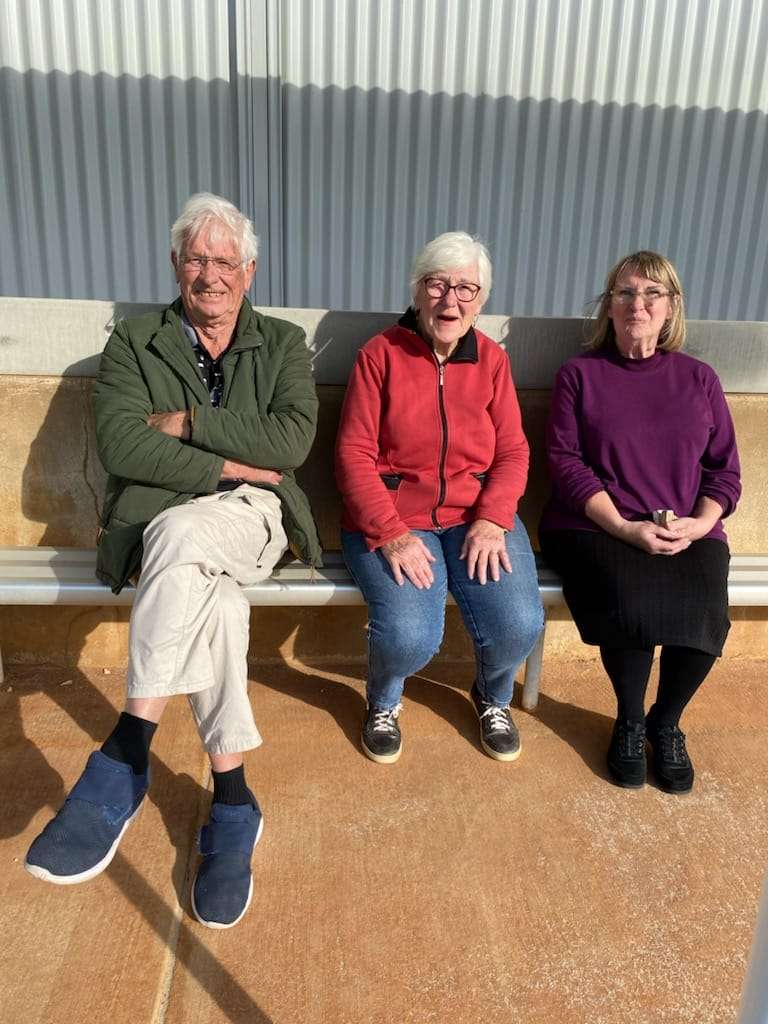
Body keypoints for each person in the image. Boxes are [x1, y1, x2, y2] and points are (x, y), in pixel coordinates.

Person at [25, 193, 321, 928]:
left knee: (186, 540)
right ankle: (234, 800)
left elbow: (289, 446)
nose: (210, 275)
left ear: (248, 272)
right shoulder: (134, 341)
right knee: (215, 603)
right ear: (174, 264)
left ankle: (127, 748)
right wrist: (234, 465)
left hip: (254, 522)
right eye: (197, 259)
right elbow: (124, 445)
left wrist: (189, 425)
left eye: (225, 261)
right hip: (164, 525)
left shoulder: (283, 343)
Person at [335, 231, 544, 764]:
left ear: (482, 299)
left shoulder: (493, 361)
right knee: (408, 636)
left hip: (476, 517)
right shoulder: (379, 355)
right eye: (438, 285)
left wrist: (494, 518)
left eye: (466, 289)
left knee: (518, 623)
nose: (451, 301)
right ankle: (382, 700)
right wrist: (391, 534)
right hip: (395, 520)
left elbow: (514, 452)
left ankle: (492, 696)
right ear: (417, 289)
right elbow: (354, 455)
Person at [539, 251, 741, 793]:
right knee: (629, 598)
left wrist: (700, 524)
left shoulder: (699, 378)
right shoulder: (580, 375)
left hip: (684, 525)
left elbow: (725, 470)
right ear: (608, 306)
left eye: (653, 294)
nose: (638, 304)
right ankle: (629, 721)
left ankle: (666, 722)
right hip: (594, 524)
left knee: (705, 611)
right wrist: (625, 528)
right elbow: (565, 461)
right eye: (626, 293)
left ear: (672, 307)